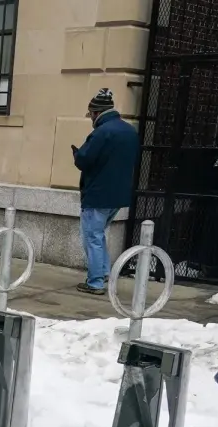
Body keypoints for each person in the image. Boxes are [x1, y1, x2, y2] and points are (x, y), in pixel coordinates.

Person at [71, 88, 141, 295]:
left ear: (95, 113)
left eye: (90, 114)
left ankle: (95, 282)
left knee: (92, 237)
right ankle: (104, 273)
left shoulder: (101, 132)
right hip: (118, 194)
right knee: (99, 235)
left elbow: (85, 160)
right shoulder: (129, 131)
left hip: (98, 193)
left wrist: (76, 154)